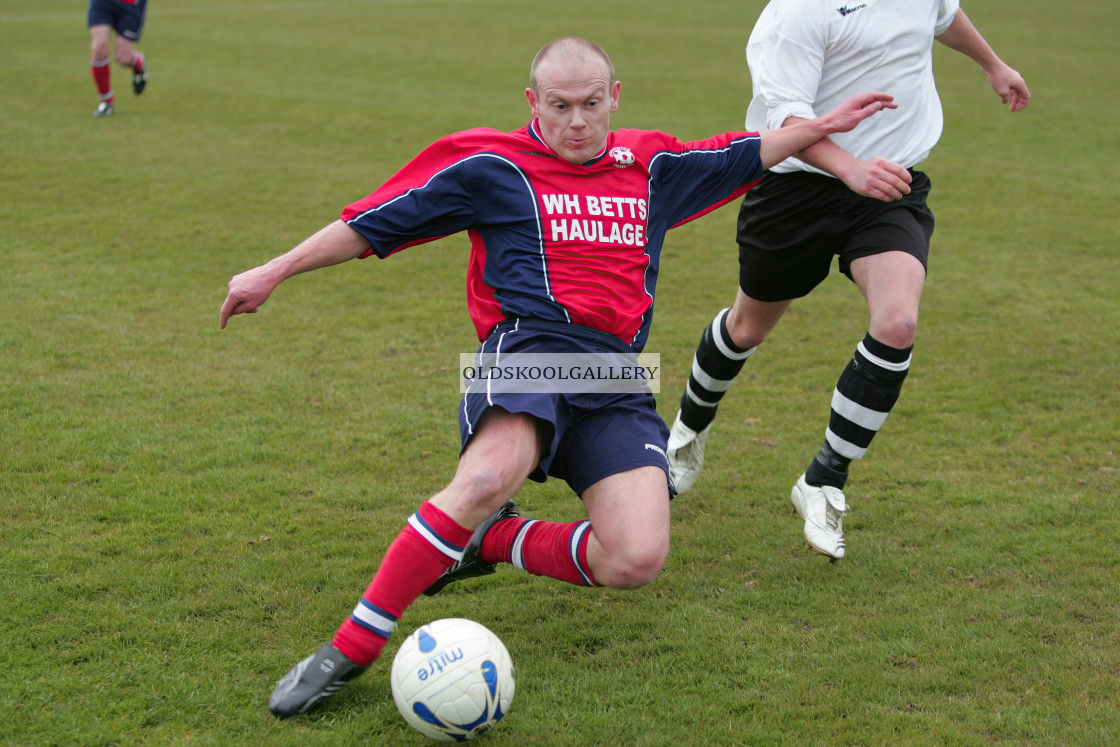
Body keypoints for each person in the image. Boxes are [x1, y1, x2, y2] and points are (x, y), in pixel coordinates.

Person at [219, 37, 894, 719]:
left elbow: (746, 150)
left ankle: (493, 539)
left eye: (592, 104)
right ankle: (352, 644)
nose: (578, 120)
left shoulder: (652, 163)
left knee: (636, 557)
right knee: (484, 479)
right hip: (530, 350)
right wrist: (273, 270)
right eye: (561, 105)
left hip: (615, 375)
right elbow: (372, 223)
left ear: (615, 98)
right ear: (532, 104)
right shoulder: (491, 164)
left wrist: (823, 131)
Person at [665, 0, 1030, 559]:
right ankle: (689, 430)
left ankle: (824, 479)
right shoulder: (795, 14)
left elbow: (942, 15)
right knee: (748, 327)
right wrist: (848, 167)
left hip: (890, 184)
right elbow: (784, 119)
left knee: (898, 320)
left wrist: (992, 64)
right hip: (795, 192)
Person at [88, 0, 149, 117]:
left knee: (122, 58)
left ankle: (139, 63)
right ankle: (106, 102)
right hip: (102, 3)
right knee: (99, 48)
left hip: (131, 4)